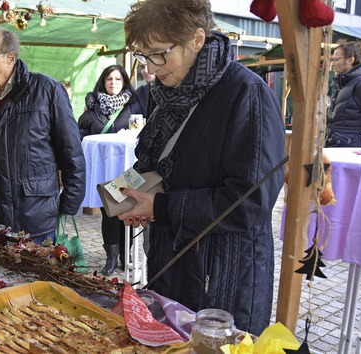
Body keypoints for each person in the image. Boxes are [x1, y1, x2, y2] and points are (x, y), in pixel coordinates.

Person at [119, 0, 286, 335]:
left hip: (223, 279)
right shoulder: (165, 92)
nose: (150, 68)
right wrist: (123, 193)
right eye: (143, 55)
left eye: (159, 53)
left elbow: (249, 202)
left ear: (197, 39)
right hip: (171, 259)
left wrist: (161, 206)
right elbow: (154, 160)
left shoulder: (246, 94)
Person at [0, 27, 86, 244]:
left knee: (37, 277)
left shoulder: (47, 91)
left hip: (36, 218)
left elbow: (71, 152)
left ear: (11, 57)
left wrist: (67, 206)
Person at [77, 65, 139, 275]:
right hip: (104, 172)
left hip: (128, 172)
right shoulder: (93, 109)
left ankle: (126, 256)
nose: (113, 83)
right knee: (109, 213)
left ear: (124, 82)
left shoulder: (135, 106)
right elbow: (80, 136)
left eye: (118, 79)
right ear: (103, 82)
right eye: (109, 79)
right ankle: (111, 258)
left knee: (127, 211)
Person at [326, 41, 361, 147]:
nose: (332, 63)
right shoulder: (342, 85)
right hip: (339, 149)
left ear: (350, 60)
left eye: (336, 59)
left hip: (351, 153)